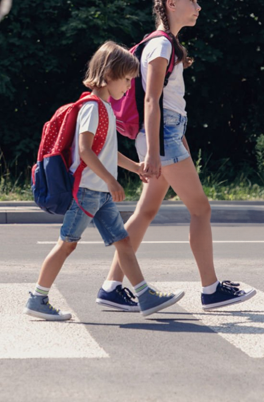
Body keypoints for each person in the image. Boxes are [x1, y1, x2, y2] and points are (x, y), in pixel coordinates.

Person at [96, 0, 257, 312]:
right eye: (192, 0)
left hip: (167, 135)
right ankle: (211, 289)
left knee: (146, 211)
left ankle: (111, 287)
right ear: (171, 3)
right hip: (161, 137)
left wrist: (173, 140)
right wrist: (155, 152)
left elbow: (167, 103)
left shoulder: (165, 45)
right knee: (201, 209)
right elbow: (151, 101)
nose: (197, 7)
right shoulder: (161, 46)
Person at [24, 42, 185, 321]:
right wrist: (111, 181)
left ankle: (144, 295)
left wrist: (135, 168)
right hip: (87, 191)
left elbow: (107, 152)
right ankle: (38, 298)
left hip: (99, 194)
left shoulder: (105, 108)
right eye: (126, 80)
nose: (128, 88)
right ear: (108, 75)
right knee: (67, 244)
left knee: (123, 242)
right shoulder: (92, 107)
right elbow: (85, 150)